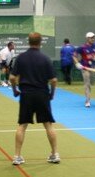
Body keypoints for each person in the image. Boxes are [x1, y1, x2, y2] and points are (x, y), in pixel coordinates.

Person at [9, 32, 59, 165]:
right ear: (40, 42)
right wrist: (52, 94)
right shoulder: (45, 59)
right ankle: (54, 154)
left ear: (28, 42)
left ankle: (17, 156)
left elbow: (12, 78)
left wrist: (15, 90)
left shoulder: (21, 58)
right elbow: (53, 80)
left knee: (22, 125)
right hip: (42, 95)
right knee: (48, 124)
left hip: (26, 95)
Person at [74, 32, 95, 108]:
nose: (93, 39)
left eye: (93, 37)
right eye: (91, 38)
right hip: (85, 67)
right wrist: (77, 63)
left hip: (93, 67)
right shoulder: (82, 47)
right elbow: (74, 56)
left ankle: (88, 95)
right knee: (87, 83)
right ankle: (87, 101)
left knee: (92, 83)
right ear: (87, 38)